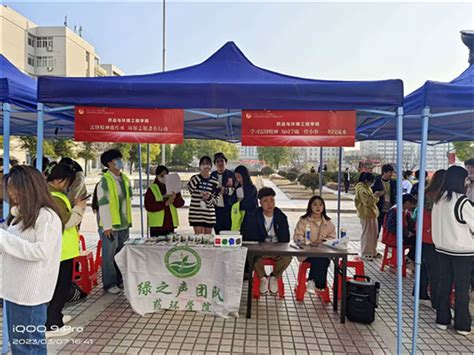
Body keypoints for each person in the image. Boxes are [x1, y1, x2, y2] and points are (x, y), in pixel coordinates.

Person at [1, 166, 63, 354]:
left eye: (15, 188)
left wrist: (3, 238)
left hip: (30, 295)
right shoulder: (19, 215)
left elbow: (40, 251)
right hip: (14, 291)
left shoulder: (47, 216)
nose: (12, 194)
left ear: (31, 187)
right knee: (19, 343)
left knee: (28, 346)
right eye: (9, 188)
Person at [432, 166, 473, 336]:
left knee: (444, 283)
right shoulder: (462, 202)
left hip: (442, 248)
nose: (468, 182)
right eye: (466, 179)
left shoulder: (439, 200)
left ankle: (442, 319)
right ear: (460, 181)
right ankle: (462, 325)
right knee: (462, 288)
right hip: (462, 250)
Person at [46, 163, 86, 337]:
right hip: (61, 250)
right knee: (60, 287)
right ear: (61, 180)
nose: (69, 187)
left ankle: (57, 316)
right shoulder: (54, 196)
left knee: (59, 286)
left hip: (61, 249)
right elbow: (67, 221)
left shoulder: (51, 193)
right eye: (69, 183)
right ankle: (52, 324)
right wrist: (79, 208)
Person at [242, 187, 292, 295]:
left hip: (277, 249)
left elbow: (286, 239)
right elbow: (249, 236)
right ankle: (263, 278)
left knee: (288, 256)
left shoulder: (281, 216)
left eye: (272, 200)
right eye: (266, 201)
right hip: (261, 250)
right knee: (251, 255)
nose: (269, 204)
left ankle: (274, 277)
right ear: (260, 202)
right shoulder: (253, 216)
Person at [97, 149, 132, 294]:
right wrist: (107, 226)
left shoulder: (125, 179)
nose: (119, 161)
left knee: (121, 254)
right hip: (110, 225)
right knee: (109, 256)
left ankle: (120, 280)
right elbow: (103, 204)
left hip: (123, 224)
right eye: (115, 159)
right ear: (108, 163)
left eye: (120, 158)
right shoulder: (105, 181)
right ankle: (109, 283)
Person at [415, 169, 446, 309]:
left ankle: (420, 293)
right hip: (432, 236)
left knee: (423, 266)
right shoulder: (436, 196)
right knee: (435, 271)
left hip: (423, 235)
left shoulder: (426, 192)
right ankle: (435, 300)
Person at [293, 196, 336, 292]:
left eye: (321, 205)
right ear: (310, 206)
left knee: (324, 259)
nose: (318, 207)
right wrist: (308, 242)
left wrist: (323, 241)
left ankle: (312, 282)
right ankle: (318, 284)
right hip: (306, 253)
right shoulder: (303, 221)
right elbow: (297, 237)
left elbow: (332, 238)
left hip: (322, 252)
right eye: (315, 204)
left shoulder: (328, 222)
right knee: (320, 259)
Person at [145, 165, 185, 236]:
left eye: (166, 175)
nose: (164, 178)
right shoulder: (152, 189)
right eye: (162, 175)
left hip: (170, 224)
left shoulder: (173, 186)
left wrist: (175, 198)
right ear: (157, 176)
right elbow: (148, 206)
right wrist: (165, 203)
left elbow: (180, 203)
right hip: (157, 227)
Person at [382, 194, 417, 268]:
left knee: (418, 240)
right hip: (393, 237)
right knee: (416, 241)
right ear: (407, 203)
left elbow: (411, 225)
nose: (412, 207)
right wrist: (406, 233)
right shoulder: (394, 211)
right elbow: (391, 227)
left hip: (402, 236)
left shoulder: (405, 212)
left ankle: (409, 259)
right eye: (411, 204)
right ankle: (409, 259)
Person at [188, 156, 220, 234]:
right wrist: (201, 176)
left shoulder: (215, 182)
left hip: (209, 215)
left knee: (207, 239)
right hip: (196, 214)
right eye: (203, 164)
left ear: (211, 166)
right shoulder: (194, 178)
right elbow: (190, 189)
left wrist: (208, 198)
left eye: (208, 163)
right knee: (199, 239)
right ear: (200, 166)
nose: (206, 165)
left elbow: (216, 200)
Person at [355, 172, 383, 261]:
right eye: (371, 181)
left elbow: (372, 200)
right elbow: (367, 202)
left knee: (374, 234)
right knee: (367, 234)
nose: (372, 183)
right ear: (366, 180)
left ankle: (372, 251)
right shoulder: (361, 189)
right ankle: (365, 253)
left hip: (372, 213)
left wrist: (375, 196)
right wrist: (375, 195)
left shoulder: (367, 187)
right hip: (366, 214)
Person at [211, 152, 235, 234]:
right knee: (217, 230)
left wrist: (225, 190)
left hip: (228, 207)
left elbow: (236, 190)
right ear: (215, 164)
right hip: (216, 208)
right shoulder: (212, 175)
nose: (220, 163)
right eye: (217, 161)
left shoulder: (231, 175)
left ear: (226, 162)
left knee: (228, 231)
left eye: (222, 161)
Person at [230, 165, 258, 232]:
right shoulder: (237, 188)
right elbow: (231, 201)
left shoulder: (252, 188)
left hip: (248, 217)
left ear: (244, 176)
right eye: (236, 177)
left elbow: (251, 203)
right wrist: (236, 200)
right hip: (237, 216)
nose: (238, 179)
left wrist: (240, 202)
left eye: (239, 177)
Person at [372, 164, 396, 235]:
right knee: (377, 229)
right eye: (390, 172)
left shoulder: (393, 183)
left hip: (390, 209)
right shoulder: (376, 181)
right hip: (379, 208)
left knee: (389, 229)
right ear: (384, 172)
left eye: (392, 172)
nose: (391, 174)